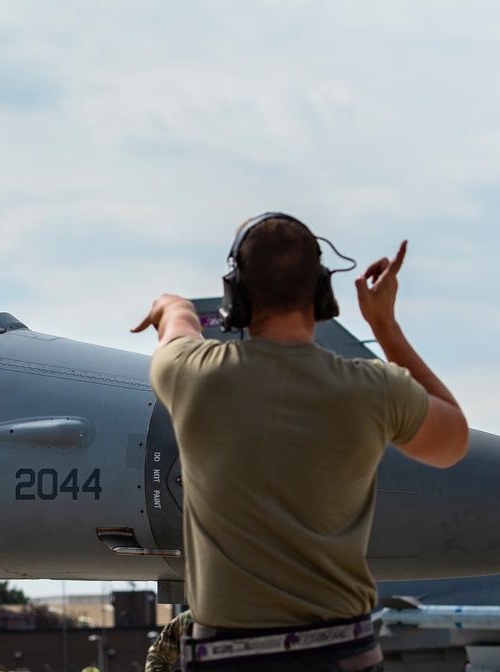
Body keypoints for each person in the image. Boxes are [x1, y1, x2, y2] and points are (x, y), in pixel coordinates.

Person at [132, 213, 468, 671]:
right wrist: (384, 324)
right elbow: (452, 442)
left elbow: (177, 329)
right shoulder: (373, 389)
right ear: (323, 294)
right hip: (343, 653)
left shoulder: (194, 375)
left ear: (238, 297)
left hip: (227, 659)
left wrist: (173, 306)